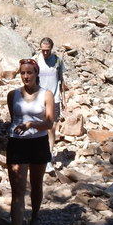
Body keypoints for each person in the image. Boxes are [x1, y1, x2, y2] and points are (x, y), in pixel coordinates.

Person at [6, 58, 55, 225]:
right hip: (17, 143)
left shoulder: (46, 94)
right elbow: (13, 118)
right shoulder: (12, 95)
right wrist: (21, 127)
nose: (26, 76)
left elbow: (50, 123)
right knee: (17, 191)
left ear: (36, 74)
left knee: (36, 184)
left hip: (38, 142)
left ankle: (35, 216)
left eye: (29, 72)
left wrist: (32, 125)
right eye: (23, 73)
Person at [35, 37, 66, 172]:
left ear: (51, 49)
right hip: (40, 98)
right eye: (43, 50)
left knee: (52, 128)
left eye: (47, 50)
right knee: (41, 128)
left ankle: (48, 155)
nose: (45, 53)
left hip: (55, 98)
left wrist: (64, 98)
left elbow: (61, 80)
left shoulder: (58, 61)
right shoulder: (36, 60)